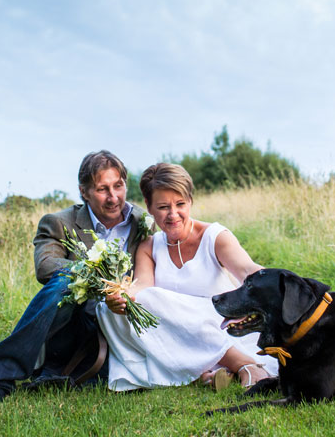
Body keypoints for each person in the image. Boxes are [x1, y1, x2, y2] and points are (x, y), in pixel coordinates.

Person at [0, 150, 148, 407]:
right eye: (102, 189)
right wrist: (98, 275)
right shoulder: (58, 223)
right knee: (66, 280)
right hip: (77, 322)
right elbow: (45, 266)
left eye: (118, 186)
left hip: (124, 324)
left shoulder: (143, 221)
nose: (113, 198)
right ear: (84, 191)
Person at [98, 163, 277, 391]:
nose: (173, 215)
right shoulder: (150, 246)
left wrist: (287, 287)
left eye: (180, 204)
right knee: (108, 309)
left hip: (219, 326)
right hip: (179, 334)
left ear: (190, 201)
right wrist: (121, 296)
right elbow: (142, 286)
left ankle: (245, 365)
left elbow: (246, 270)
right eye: (163, 207)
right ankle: (208, 373)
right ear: (149, 207)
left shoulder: (215, 237)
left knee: (153, 300)